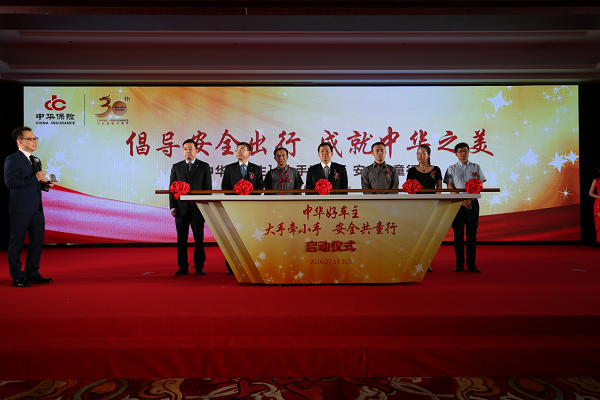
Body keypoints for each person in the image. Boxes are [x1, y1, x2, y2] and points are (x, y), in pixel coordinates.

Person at [4, 127, 54, 288]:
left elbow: (33, 183)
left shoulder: (35, 160)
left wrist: (44, 186)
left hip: (36, 208)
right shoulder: (12, 159)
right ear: (19, 141)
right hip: (20, 209)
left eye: (35, 138)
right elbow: (10, 182)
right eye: (30, 139)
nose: (35, 141)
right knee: (16, 242)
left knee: (37, 241)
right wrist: (34, 178)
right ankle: (17, 276)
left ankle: (32, 272)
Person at [169, 139, 212, 277]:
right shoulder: (177, 167)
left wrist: (206, 207)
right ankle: (182, 267)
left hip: (198, 209)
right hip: (181, 209)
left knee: (199, 239)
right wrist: (172, 207)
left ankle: (199, 267)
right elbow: (172, 189)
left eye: (190, 149)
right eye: (185, 149)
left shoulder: (204, 166)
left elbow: (207, 190)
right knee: (181, 239)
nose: (188, 151)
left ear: (196, 151)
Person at [222, 142, 265, 274]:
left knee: (250, 236)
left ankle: (251, 264)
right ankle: (231, 265)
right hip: (233, 207)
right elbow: (225, 187)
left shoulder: (256, 169)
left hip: (250, 207)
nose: (239, 152)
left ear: (249, 153)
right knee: (232, 236)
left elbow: (260, 187)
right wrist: (236, 196)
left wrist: (249, 195)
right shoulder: (229, 168)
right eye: (237, 149)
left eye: (242, 149)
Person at [443, 142, 486, 273]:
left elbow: (480, 186)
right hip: (457, 204)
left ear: (469, 152)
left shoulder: (476, 167)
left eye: (465, 151)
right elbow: (450, 187)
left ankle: (471, 264)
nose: (463, 154)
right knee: (458, 236)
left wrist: (469, 199)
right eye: (460, 151)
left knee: (472, 236)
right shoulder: (451, 168)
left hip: (473, 203)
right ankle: (459, 264)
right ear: (456, 154)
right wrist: (462, 200)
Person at [407, 144, 442, 271]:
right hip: (416, 206)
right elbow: (409, 189)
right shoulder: (412, 171)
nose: (420, 156)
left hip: (431, 205)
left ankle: (427, 262)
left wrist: (435, 201)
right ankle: (416, 261)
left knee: (428, 235)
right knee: (416, 234)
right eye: (418, 153)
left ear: (429, 155)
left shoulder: (436, 169)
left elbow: (439, 188)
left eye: (423, 153)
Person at [589, 167, 600, 243]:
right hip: (599, 203)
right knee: (598, 221)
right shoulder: (596, 180)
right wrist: (599, 197)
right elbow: (590, 193)